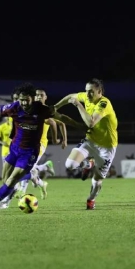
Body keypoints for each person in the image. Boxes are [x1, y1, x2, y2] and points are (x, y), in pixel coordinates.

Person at [0, 83, 57, 214]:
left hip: (32, 149)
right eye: (19, 99)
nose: (21, 102)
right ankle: (35, 173)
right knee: (6, 181)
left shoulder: (40, 110)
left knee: (11, 181)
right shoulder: (13, 110)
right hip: (14, 149)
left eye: (25, 99)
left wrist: (61, 137)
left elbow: (57, 120)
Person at [53, 78, 118, 210]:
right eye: (86, 91)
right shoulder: (86, 97)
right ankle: (89, 164)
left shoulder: (104, 103)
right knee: (70, 165)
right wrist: (56, 106)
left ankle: (91, 200)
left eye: (91, 92)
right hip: (90, 141)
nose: (87, 94)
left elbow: (91, 123)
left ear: (99, 91)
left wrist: (78, 104)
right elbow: (70, 96)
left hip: (107, 148)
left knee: (97, 181)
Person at [15, 88, 67, 199]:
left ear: (45, 97)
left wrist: (59, 140)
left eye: (41, 95)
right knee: (31, 172)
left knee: (26, 168)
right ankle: (43, 177)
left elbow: (60, 123)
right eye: (37, 95)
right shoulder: (30, 109)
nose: (39, 97)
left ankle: (22, 192)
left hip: (40, 145)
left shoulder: (47, 111)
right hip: (28, 144)